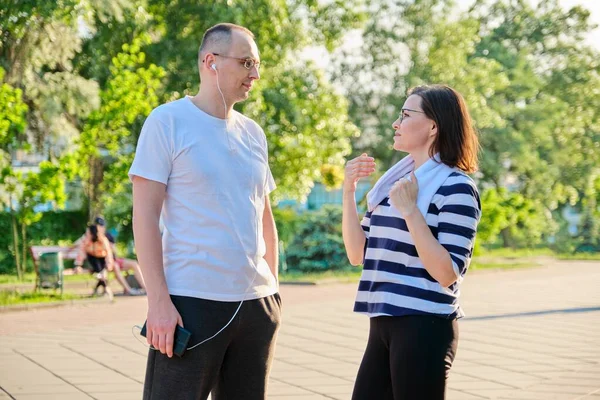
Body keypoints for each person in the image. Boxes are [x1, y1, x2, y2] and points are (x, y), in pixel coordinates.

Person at [129, 23, 281, 400]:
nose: (255, 74)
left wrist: (273, 291)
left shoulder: (254, 133)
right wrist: (158, 302)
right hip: (191, 305)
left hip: (256, 307)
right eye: (246, 62)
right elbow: (145, 216)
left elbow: (264, 215)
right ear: (211, 62)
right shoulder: (167, 121)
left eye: (257, 63)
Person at [342, 84, 482, 400]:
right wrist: (348, 190)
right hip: (382, 323)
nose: (396, 123)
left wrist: (411, 212)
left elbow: (447, 274)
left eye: (406, 115)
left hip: (424, 326)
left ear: (433, 126)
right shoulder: (393, 185)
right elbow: (357, 253)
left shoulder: (456, 188)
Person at [75, 224, 114, 300]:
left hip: (102, 258)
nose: (87, 234)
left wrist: (109, 263)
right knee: (101, 271)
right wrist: (78, 265)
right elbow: (81, 252)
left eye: (88, 233)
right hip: (92, 258)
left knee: (102, 272)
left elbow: (108, 252)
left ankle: (98, 289)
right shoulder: (85, 240)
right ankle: (106, 289)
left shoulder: (103, 239)